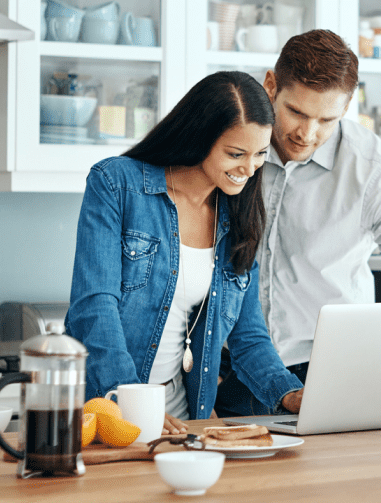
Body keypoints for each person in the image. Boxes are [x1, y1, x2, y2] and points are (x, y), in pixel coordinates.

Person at [215, 30, 381, 417]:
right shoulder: (232, 148)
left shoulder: (372, 171)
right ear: (271, 85)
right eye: (297, 112)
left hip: (324, 374)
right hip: (224, 369)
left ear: (348, 106)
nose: (308, 133)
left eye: (327, 120)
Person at [64, 71, 305, 435]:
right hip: (109, 415)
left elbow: (248, 335)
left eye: (259, 154)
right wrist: (133, 407)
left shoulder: (238, 215)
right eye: (235, 154)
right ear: (200, 137)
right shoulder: (117, 184)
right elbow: (94, 306)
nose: (249, 168)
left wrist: (292, 394)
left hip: (184, 424)